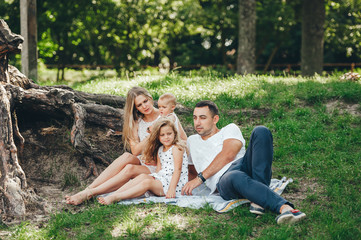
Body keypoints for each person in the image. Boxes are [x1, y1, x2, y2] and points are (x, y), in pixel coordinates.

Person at [181, 100, 306, 224]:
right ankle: (285, 208)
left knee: (261, 131)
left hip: (244, 165)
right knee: (234, 176)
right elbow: (191, 170)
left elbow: (228, 155)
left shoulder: (230, 129)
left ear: (215, 119)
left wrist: (200, 178)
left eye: (202, 118)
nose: (197, 122)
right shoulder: (191, 141)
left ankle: (258, 201)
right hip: (225, 181)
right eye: (195, 118)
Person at [65, 86, 161, 205]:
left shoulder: (165, 117)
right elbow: (135, 151)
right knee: (127, 156)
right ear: (135, 108)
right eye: (139, 105)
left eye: (145, 101)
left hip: (159, 164)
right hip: (145, 160)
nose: (144, 106)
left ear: (150, 98)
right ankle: (87, 190)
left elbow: (181, 142)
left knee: (129, 168)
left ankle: (91, 193)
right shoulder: (137, 122)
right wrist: (152, 136)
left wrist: (154, 132)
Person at [97, 118, 188, 204]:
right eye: (162, 135)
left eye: (169, 134)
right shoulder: (160, 149)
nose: (166, 137)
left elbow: (178, 170)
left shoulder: (176, 148)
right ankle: (114, 194)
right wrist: (152, 177)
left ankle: (117, 197)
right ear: (158, 137)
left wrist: (171, 189)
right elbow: (158, 171)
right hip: (163, 180)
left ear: (174, 134)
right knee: (143, 177)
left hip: (175, 185)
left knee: (147, 182)